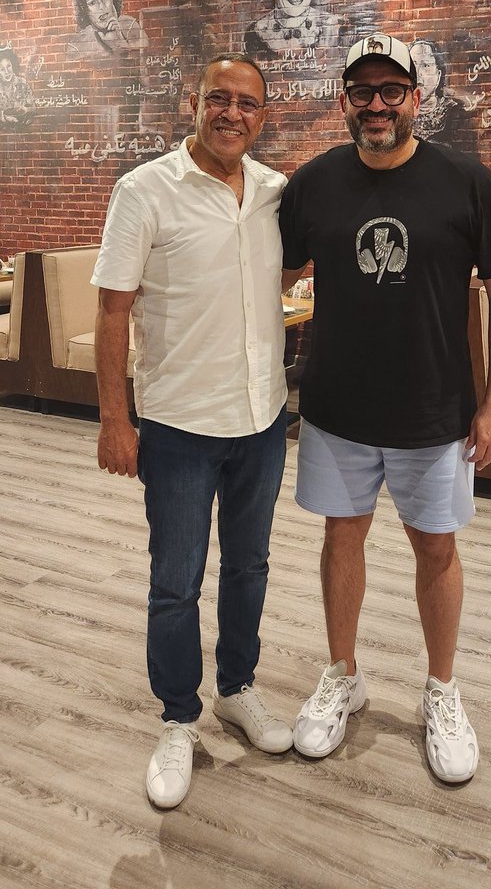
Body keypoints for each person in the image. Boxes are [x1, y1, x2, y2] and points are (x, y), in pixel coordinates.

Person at [279, 33, 491, 784]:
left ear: (417, 98)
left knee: (436, 550)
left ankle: (441, 690)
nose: (377, 104)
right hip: (336, 409)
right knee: (341, 540)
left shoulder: (465, 180)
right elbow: (271, 279)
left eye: (392, 90)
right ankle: (343, 676)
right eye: (363, 92)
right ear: (345, 102)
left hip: (435, 410)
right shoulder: (313, 184)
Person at [92, 52, 293, 810]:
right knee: (175, 583)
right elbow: (112, 311)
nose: (231, 113)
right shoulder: (144, 190)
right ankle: (178, 717)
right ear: (193, 102)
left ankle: (237, 689)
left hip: (262, 419)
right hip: (178, 426)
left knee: (250, 566)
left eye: (247, 103)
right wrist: (116, 419)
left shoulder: (275, 192)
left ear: (263, 116)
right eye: (219, 98)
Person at [67, 0, 148, 60]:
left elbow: (145, 60)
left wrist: (120, 40)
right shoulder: (77, 46)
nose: (102, 6)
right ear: (84, 10)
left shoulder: (130, 25)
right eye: (92, 2)